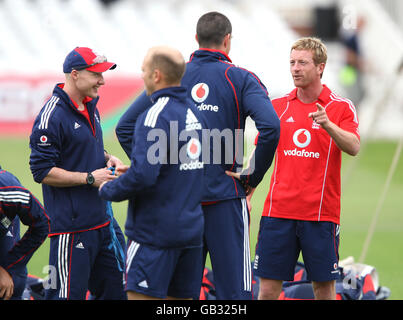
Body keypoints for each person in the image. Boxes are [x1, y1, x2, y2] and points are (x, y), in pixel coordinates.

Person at [115, 12, 280, 300]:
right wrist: (253, 176)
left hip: (180, 206)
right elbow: (270, 127)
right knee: (236, 295)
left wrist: (161, 168)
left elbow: (125, 126)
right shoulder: (240, 78)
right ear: (227, 40)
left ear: (196, 39)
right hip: (225, 201)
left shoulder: (176, 77)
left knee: (179, 295)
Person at [252, 37, 360, 300]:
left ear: (320, 67)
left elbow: (354, 146)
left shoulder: (339, 107)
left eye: (302, 62)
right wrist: (248, 191)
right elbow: (260, 154)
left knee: (323, 289)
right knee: (266, 289)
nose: (295, 68)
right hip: (278, 213)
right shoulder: (278, 107)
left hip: (320, 215)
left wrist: (328, 125)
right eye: (292, 62)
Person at [99, 46, 206, 300]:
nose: (143, 76)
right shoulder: (193, 114)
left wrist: (108, 189)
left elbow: (144, 177)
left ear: (157, 75)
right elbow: (178, 167)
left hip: (155, 235)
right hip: (190, 232)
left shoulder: (153, 116)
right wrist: (138, 168)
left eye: (145, 70)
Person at [29, 47, 127, 300]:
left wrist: (107, 157)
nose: (102, 81)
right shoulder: (51, 116)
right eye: (96, 74)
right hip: (71, 231)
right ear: (75, 74)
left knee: (118, 293)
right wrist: (90, 178)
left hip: (103, 224)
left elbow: (82, 145)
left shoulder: (89, 104)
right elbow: (41, 171)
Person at [0, 165, 49, 300]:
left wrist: (11, 266)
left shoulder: (8, 190)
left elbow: (42, 224)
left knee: (11, 283)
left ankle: (28, 291)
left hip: (5, 221)